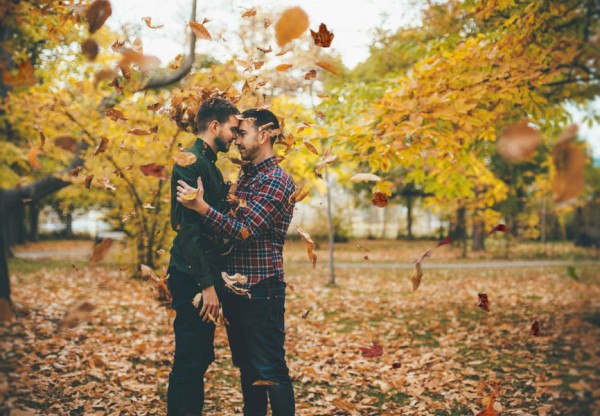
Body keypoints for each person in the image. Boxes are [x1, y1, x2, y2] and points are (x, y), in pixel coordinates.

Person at [177, 108, 296, 416]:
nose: (236, 140)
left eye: (242, 133)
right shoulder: (247, 176)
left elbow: (243, 230)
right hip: (237, 289)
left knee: (270, 369)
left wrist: (202, 207)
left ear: (264, 135)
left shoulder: (276, 179)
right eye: (236, 132)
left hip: (262, 289)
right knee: (248, 369)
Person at [167, 97, 240, 416]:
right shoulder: (190, 161)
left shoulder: (207, 164)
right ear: (214, 126)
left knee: (200, 357)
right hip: (192, 276)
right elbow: (186, 231)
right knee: (190, 359)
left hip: (202, 274)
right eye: (232, 129)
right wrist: (207, 286)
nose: (235, 136)